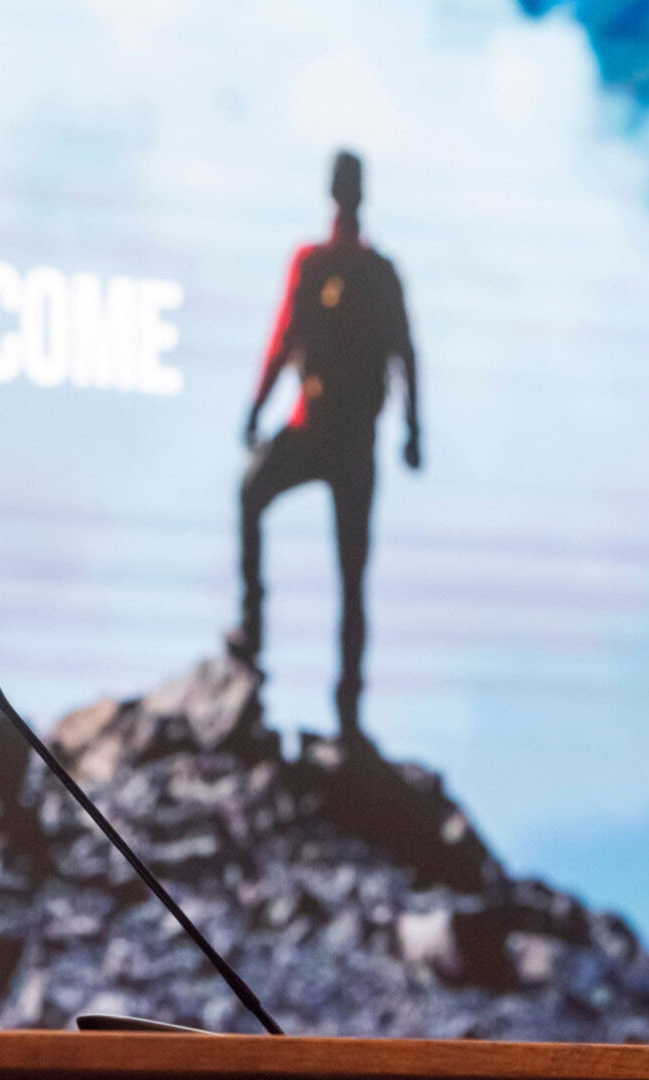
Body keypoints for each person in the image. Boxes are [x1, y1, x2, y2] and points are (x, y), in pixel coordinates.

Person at [230, 150, 421, 740]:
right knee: (351, 578)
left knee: (256, 499)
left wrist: (256, 408)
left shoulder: (322, 264)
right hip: (348, 444)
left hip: (320, 434)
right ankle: (345, 709)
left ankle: (257, 634)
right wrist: (413, 431)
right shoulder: (372, 271)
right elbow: (405, 354)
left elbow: (285, 337)